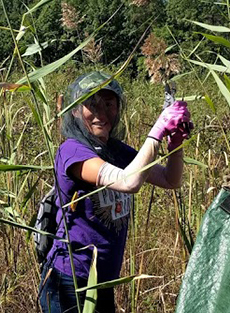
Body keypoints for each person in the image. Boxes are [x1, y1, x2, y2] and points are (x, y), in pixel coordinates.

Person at [38, 72, 191, 313]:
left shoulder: (117, 151)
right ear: (76, 111)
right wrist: (158, 130)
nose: (101, 113)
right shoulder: (72, 151)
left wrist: (175, 143)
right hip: (70, 281)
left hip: (103, 281)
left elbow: (170, 180)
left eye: (108, 104)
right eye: (91, 104)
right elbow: (129, 182)